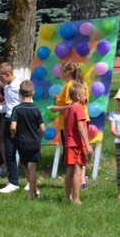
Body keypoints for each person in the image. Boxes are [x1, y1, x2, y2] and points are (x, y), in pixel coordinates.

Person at [49, 61, 91, 189]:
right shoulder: (82, 84)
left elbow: (70, 107)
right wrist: (60, 98)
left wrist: (56, 108)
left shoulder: (70, 86)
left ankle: (78, 180)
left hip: (71, 124)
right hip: (83, 119)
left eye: (61, 71)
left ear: (68, 73)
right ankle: (82, 180)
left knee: (73, 152)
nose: (60, 73)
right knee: (81, 149)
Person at [10, 80, 46, 199]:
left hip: (22, 142)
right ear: (33, 92)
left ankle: (32, 193)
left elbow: (13, 127)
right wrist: (39, 137)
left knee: (26, 167)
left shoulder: (17, 109)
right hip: (35, 142)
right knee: (33, 167)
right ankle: (34, 192)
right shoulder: (36, 109)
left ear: (20, 93)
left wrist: (13, 135)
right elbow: (43, 129)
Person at [0, 63, 22, 194]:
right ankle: (13, 182)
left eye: (0, 77)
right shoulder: (8, 87)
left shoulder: (20, 86)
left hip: (20, 122)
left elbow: (26, 104)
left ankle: (31, 181)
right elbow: (9, 106)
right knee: (10, 152)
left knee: (25, 152)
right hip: (9, 120)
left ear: (8, 74)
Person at [64, 83, 92, 205]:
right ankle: (76, 199)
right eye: (84, 94)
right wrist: (87, 144)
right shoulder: (79, 108)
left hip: (69, 143)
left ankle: (67, 198)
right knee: (78, 171)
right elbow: (80, 126)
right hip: (77, 144)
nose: (86, 97)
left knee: (69, 170)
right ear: (78, 96)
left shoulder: (69, 108)